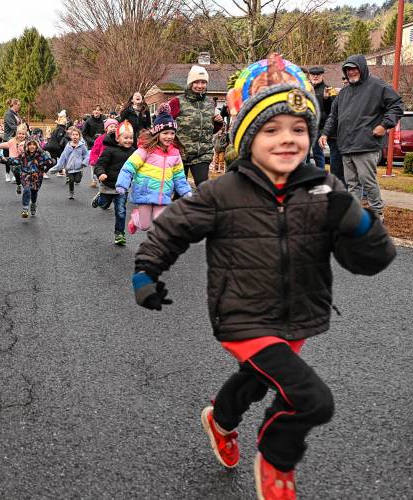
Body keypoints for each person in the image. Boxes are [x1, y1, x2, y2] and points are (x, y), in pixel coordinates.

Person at [132, 55, 396, 500]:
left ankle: (221, 420)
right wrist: (146, 272)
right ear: (248, 137)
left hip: (296, 314)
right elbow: (173, 226)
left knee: (255, 380)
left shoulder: (324, 189)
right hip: (242, 315)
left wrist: (360, 224)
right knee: (312, 399)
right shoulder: (223, 191)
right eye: (271, 130)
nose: (287, 139)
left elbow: (369, 262)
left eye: (298, 129)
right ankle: (276, 457)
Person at [320, 55, 404, 222]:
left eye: (354, 68)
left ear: (362, 68)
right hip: (346, 144)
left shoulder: (377, 86)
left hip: (366, 144)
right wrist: (325, 133)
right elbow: (333, 116)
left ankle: (378, 212)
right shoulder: (343, 92)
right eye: (348, 69)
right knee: (352, 184)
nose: (351, 72)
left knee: (368, 181)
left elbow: (397, 105)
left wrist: (384, 125)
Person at [115, 113, 191, 235]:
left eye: (172, 133)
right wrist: (122, 185)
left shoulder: (175, 153)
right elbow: (129, 167)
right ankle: (135, 219)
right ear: (157, 133)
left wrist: (186, 192)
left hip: (163, 194)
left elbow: (179, 176)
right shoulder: (146, 149)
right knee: (145, 226)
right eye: (165, 133)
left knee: (160, 224)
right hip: (145, 192)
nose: (169, 136)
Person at [170, 65, 221, 188]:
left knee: (203, 187)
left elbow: (209, 129)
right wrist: (172, 142)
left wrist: (217, 123)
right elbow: (164, 125)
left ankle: (201, 207)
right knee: (179, 191)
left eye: (203, 82)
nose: (200, 85)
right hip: (180, 153)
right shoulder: (177, 102)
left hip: (202, 154)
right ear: (190, 83)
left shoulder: (210, 102)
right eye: (196, 82)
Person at [92, 120, 134, 245]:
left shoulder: (133, 152)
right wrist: (101, 173)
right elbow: (99, 164)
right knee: (103, 203)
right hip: (108, 184)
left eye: (131, 138)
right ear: (117, 138)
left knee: (121, 211)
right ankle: (100, 199)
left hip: (123, 187)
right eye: (125, 138)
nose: (128, 140)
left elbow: (139, 166)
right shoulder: (109, 150)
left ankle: (119, 234)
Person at [16, 136, 55, 218]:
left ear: (37, 146)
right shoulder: (23, 155)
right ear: (27, 145)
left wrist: (49, 163)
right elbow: (15, 160)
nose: (32, 146)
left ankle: (33, 204)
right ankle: (25, 208)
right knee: (26, 190)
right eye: (30, 144)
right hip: (25, 175)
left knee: (34, 193)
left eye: (34, 144)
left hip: (37, 177)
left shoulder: (42, 155)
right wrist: (4, 159)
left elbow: (50, 162)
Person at [49, 126, 88, 200]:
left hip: (78, 168)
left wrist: (84, 162)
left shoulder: (82, 146)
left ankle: (80, 174)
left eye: (77, 135)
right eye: (73, 135)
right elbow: (63, 157)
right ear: (71, 136)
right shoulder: (68, 146)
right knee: (71, 180)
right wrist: (55, 168)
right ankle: (71, 191)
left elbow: (86, 155)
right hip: (69, 168)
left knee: (77, 180)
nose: (75, 136)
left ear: (79, 136)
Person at [306, 67, 333, 169]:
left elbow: (332, 110)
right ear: (309, 76)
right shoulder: (304, 88)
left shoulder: (328, 89)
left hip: (320, 127)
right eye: (313, 74)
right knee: (305, 154)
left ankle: (321, 177)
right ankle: (307, 177)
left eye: (318, 74)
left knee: (318, 153)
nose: (315, 76)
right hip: (306, 126)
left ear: (322, 75)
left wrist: (326, 99)